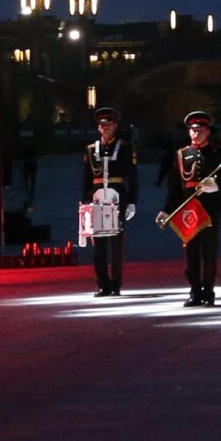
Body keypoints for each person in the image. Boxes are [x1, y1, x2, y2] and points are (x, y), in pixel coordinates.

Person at [160, 111, 221, 306]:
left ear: (208, 132)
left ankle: (208, 291)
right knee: (191, 251)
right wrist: (166, 209)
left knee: (209, 251)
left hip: (209, 208)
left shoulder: (218, 153)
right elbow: (174, 186)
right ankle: (194, 291)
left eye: (200, 130)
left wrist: (214, 186)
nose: (196, 134)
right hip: (188, 209)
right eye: (193, 130)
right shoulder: (182, 154)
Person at [79, 105, 137, 297]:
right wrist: (84, 201)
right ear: (98, 127)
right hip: (96, 196)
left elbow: (132, 176)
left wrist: (131, 201)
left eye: (109, 124)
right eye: (102, 124)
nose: (105, 127)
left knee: (116, 244)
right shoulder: (90, 149)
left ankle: (115, 283)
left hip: (117, 195)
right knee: (99, 245)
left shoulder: (125, 147)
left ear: (115, 125)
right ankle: (103, 284)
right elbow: (86, 178)